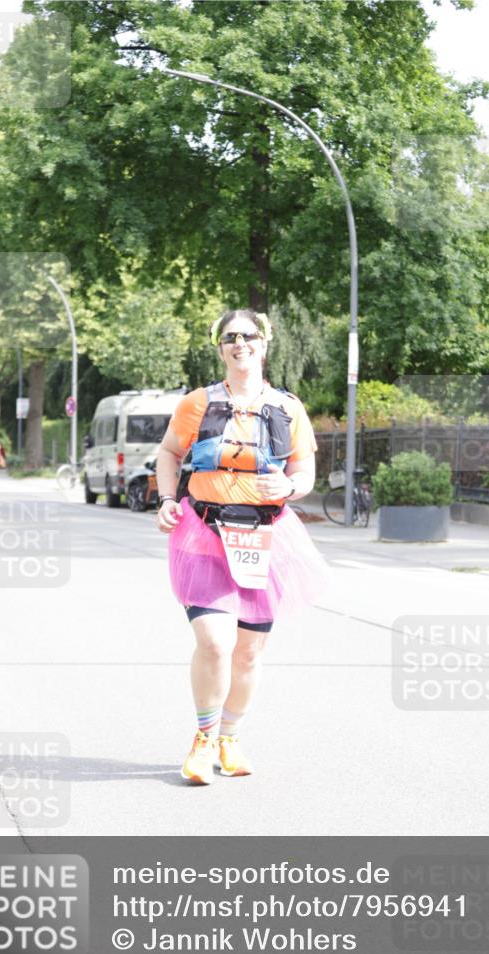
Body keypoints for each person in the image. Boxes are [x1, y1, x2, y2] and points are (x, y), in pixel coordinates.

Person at [156, 308, 326, 786]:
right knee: (214, 642)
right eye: (230, 337)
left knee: (248, 654)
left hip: (265, 539)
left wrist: (291, 489)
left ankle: (230, 737)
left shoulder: (289, 408)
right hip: (203, 533)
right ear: (220, 347)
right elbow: (169, 453)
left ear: (264, 343)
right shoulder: (197, 403)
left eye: (248, 335)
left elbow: (305, 471)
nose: (240, 343)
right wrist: (168, 498)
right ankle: (203, 740)